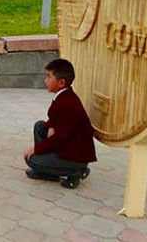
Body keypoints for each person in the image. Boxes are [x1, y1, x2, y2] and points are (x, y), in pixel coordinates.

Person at [23, 58, 96, 189]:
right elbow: (54, 118)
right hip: (66, 145)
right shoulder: (63, 95)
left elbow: (60, 139)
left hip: (75, 156)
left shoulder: (67, 103)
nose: (45, 80)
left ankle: (77, 171)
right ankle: (49, 172)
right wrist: (51, 126)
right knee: (40, 126)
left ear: (61, 82)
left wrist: (36, 149)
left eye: (49, 77)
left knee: (32, 160)